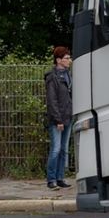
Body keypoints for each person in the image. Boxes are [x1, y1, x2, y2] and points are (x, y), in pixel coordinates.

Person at [45, 46, 73, 191]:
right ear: (58, 60)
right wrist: (58, 120)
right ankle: (51, 180)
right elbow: (52, 100)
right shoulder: (52, 77)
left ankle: (60, 178)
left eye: (69, 58)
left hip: (68, 117)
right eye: (67, 58)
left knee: (64, 150)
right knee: (55, 150)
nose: (70, 60)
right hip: (58, 120)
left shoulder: (68, 75)